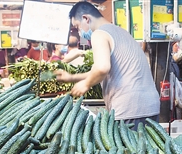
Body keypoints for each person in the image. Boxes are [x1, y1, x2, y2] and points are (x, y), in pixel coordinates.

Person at [55, 1, 160, 129]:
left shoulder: (99, 34)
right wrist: (72, 78)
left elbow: (102, 68)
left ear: (86, 19)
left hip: (130, 109)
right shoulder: (120, 32)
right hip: (151, 107)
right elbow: (98, 69)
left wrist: (86, 84)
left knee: (130, 149)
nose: (79, 32)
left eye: (77, 26)